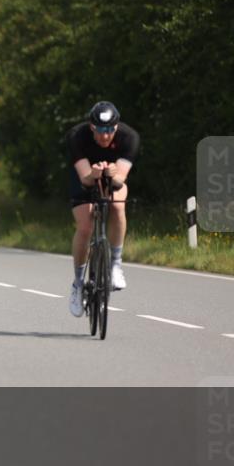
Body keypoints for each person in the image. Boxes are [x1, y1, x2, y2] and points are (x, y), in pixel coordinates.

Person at [67, 101, 139, 316]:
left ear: (116, 128)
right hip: (85, 177)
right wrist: (94, 175)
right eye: (100, 130)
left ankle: (116, 264)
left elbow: (119, 181)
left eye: (109, 131)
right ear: (91, 127)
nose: (105, 136)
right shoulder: (77, 136)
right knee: (86, 226)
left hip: (112, 177)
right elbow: (85, 180)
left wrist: (111, 175)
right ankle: (78, 284)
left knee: (117, 207)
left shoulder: (129, 138)